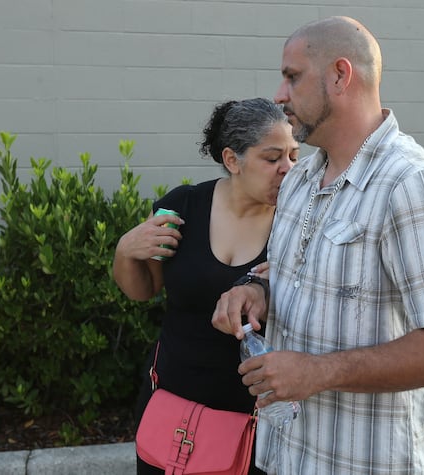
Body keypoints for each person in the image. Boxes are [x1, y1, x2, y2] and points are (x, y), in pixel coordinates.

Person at [212, 17, 424, 474]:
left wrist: (320, 372)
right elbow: (300, 275)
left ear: (340, 75)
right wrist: (255, 291)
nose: (280, 95)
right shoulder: (301, 176)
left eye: (292, 76)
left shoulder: (410, 184)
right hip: (288, 458)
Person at [113, 97, 299, 475]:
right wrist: (125, 251)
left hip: (256, 415)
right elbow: (143, 289)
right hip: (172, 402)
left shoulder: (296, 221)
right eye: (272, 158)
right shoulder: (183, 206)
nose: (288, 169)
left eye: (294, 156)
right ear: (232, 160)